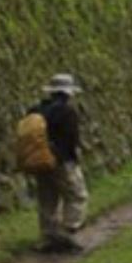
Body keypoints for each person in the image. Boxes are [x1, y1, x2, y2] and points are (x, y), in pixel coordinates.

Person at [34, 73, 88, 253]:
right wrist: (73, 159)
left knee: (47, 199)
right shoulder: (67, 112)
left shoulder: (36, 110)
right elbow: (71, 139)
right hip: (61, 160)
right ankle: (67, 233)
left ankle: (48, 236)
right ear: (68, 93)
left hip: (40, 160)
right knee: (77, 195)